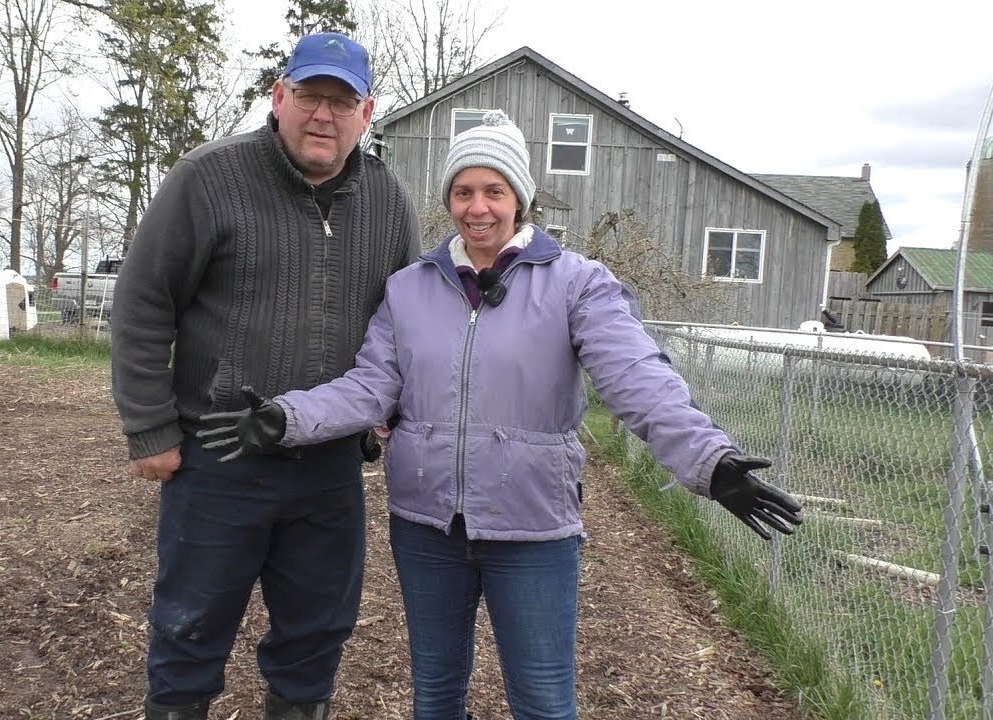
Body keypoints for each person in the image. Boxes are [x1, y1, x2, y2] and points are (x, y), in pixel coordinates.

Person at [199, 110, 803, 720]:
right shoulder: (411, 288)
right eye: (463, 191)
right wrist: (286, 417)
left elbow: (636, 377)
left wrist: (709, 460)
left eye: (494, 191)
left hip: (533, 526)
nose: (477, 207)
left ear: (521, 199)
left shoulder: (576, 285)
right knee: (435, 695)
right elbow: (369, 386)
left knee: (541, 701)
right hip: (426, 524)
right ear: (448, 200)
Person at [109, 31, 421, 720]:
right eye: (310, 95)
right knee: (191, 626)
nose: (323, 115)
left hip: (329, 465)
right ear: (278, 97)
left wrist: (387, 417)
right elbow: (142, 303)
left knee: (315, 634)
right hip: (218, 454)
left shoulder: (388, 201)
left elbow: (406, 322)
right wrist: (150, 427)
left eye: (342, 103)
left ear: (366, 116)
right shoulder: (208, 178)